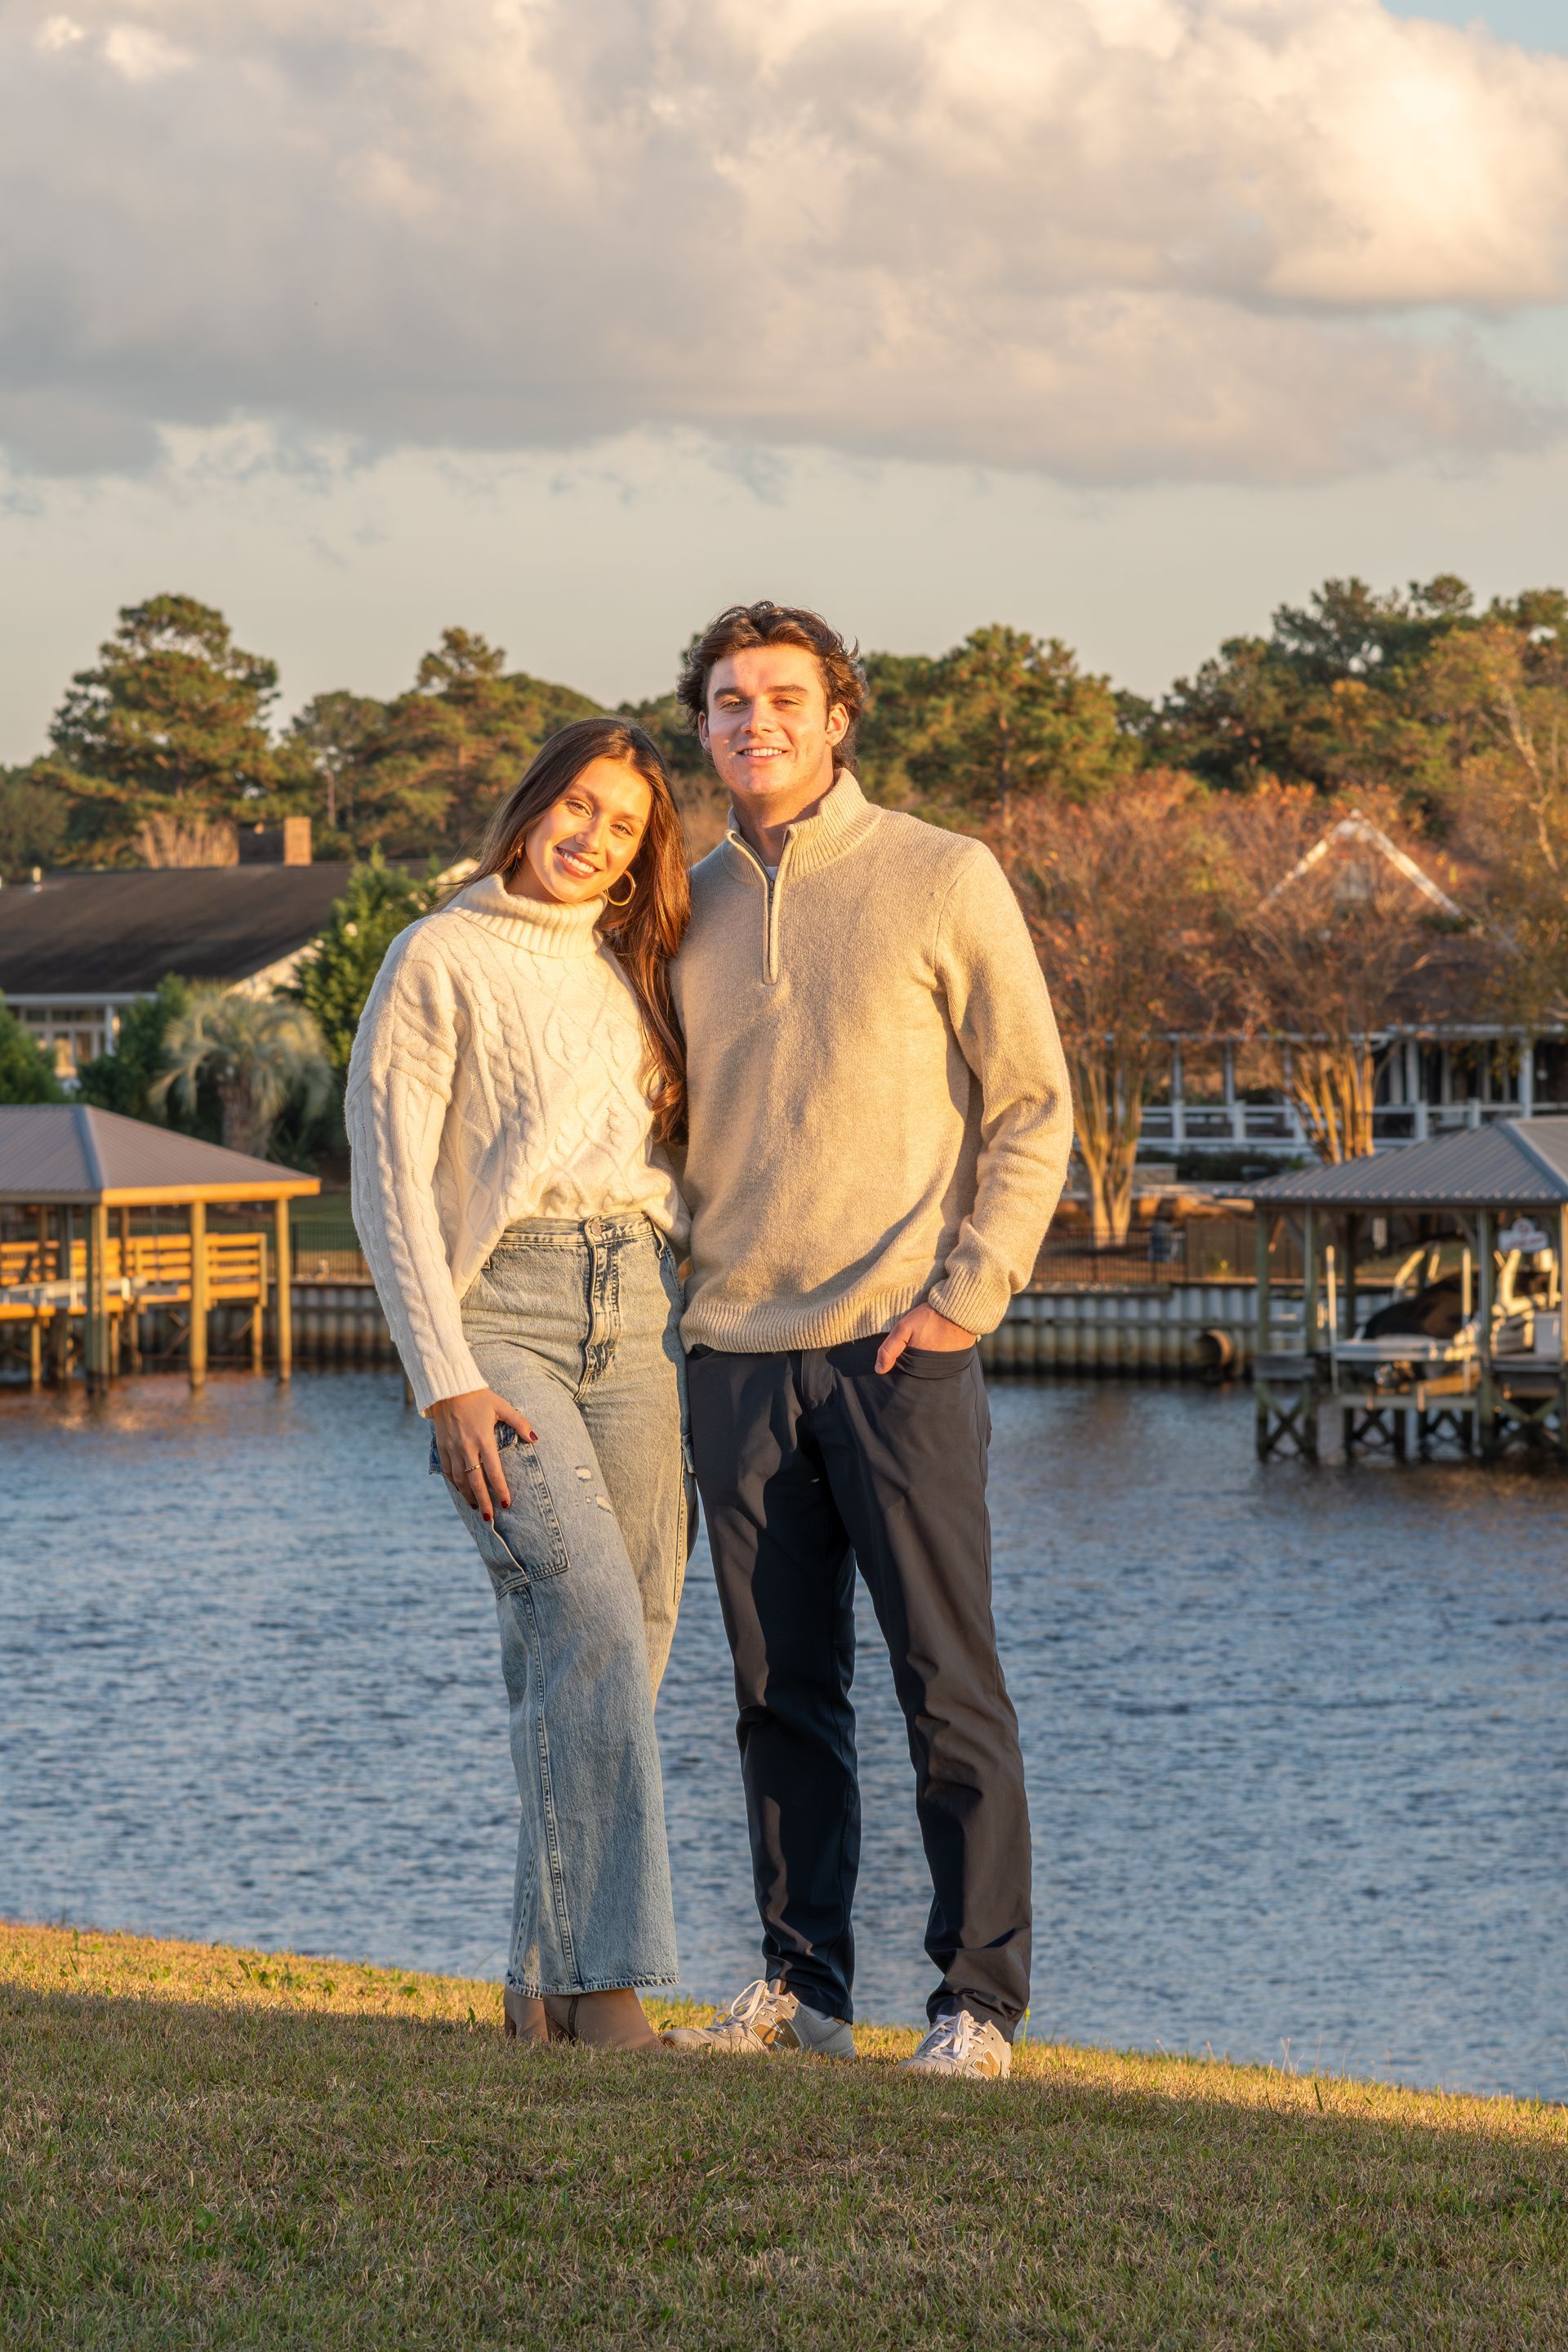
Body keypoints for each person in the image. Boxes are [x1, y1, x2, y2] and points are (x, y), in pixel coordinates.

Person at [661, 604, 1072, 2083]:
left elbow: (1033, 1105)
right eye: (725, 702)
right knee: (779, 1695)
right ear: (700, 729)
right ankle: (803, 1987)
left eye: (782, 697)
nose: (752, 722)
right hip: (734, 1352)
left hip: (903, 1349)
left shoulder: (942, 875)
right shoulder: (683, 903)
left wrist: (968, 1291)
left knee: (944, 1680)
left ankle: (978, 2004)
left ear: (840, 718)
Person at [347, 717, 694, 2055]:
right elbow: (387, 1186)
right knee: (586, 1611)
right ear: (532, 801)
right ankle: (603, 1997)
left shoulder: (636, 965)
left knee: (631, 1634)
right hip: (503, 1311)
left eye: (624, 825)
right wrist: (444, 1381)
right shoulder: (437, 955)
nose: (593, 836)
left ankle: (537, 1980)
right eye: (579, 805)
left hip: (646, 1302)